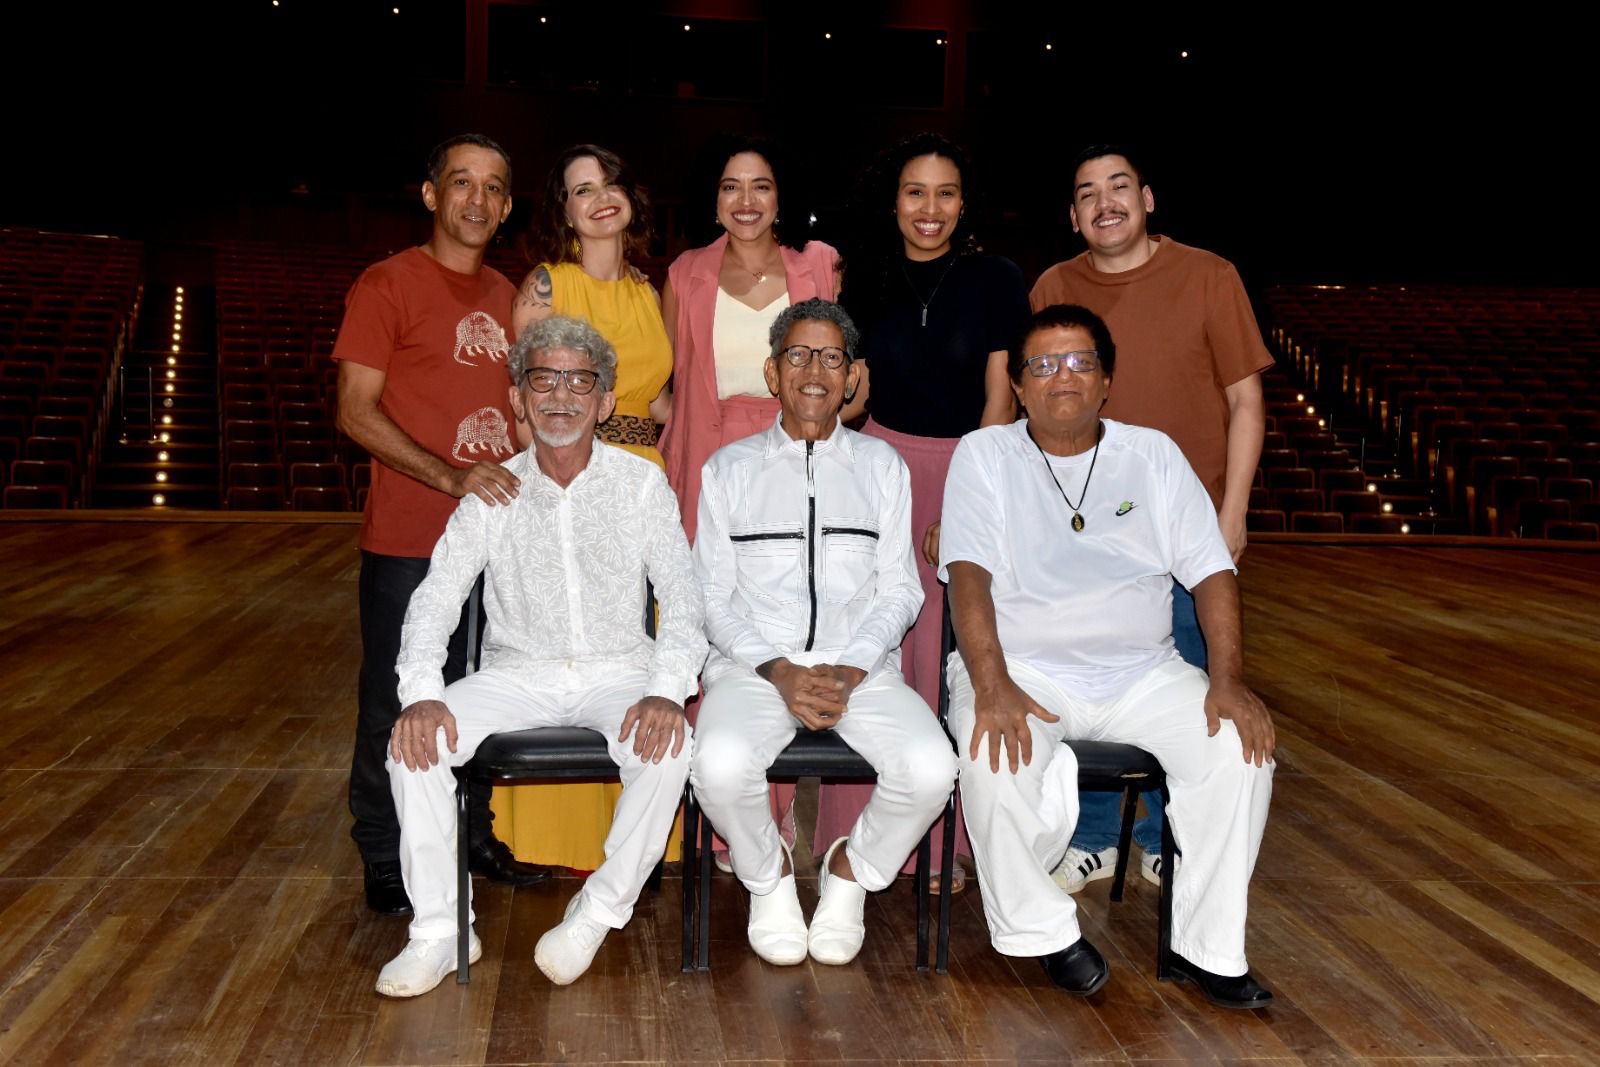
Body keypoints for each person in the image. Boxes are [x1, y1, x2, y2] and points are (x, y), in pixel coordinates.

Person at [940, 303, 1274, 1008]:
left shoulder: (1152, 455)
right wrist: (990, 681)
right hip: (1024, 667)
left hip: (1142, 672)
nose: (1062, 376)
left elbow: (1213, 571)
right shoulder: (986, 454)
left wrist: (1229, 680)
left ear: (1106, 381)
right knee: (991, 751)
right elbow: (967, 573)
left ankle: (1208, 947)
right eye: (1042, 364)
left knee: (1241, 748)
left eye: (1080, 361)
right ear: (1021, 386)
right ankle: (1044, 930)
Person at [376, 315, 705, 997]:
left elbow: (684, 597)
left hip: (620, 669)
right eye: (543, 379)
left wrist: (668, 688)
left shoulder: (641, 485)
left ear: (606, 400)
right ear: (519, 396)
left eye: (580, 380)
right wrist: (420, 692)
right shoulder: (492, 491)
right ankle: (440, 930)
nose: (561, 395)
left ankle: (596, 913)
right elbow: (435, 598)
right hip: (515, 673)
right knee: (414, 743)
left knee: (670, 744)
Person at [1029, 144, 1271, 894]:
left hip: (1183, 531)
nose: (1105, 202)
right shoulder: (1053, 285)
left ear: (1148, 198)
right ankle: (1097, 836)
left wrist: (1230, 513)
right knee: (1097, 680)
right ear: (1072, 215)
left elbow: (1245, 402)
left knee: (1194, 683)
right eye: (1087, 193)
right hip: (1086, 533)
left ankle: (1165, 835)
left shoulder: (1209, 275)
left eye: (1119, 187)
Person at [690, 299, 956, 966]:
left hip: (859, 670)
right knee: (717, 767)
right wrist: (777, 669)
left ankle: (849, 873)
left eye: (831, 357)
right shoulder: (727, 469)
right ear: (773, 372)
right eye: (798, 356)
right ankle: (768, 877)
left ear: (853, 375)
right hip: (754, 669)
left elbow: (900, 588)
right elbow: (711, 599)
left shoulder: (881, 466)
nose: (814, 371)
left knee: (933, 769)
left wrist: (855, 666)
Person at [332, 133, 552, 915]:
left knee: (484, 692)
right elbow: (355, 412)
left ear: (508, 205)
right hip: (409, 539)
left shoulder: (512, 296)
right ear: (432, 194)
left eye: (494, 187)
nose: (477, 200)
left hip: (496, 543)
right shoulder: (386, 283)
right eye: (462, 182)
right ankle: (386, 850)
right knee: (395, 698)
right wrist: (453, 476)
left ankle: (473, 832)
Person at [821, 133, 1030, 893]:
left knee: (952, 653)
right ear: (894, 200)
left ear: (964, 201)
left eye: (945, 193)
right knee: (876, 649)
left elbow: (1002, 396)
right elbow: (854, 388)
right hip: (877, 464)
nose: (929, 209)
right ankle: (861, 831)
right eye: (915, 192)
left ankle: (953, 845)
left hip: (970, 462)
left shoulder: (997, 278)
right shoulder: (863, 276)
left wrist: (968, 502)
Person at [659, 134, 840, 867]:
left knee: (783, 616)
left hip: (790, 458)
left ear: (779, 198)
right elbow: (669, 381)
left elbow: (834, 366)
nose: (745, 200)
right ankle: (723, 805)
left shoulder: (815, 266)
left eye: (759, 186)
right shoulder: (685, 273)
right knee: (709, 626)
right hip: (707, 459)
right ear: (715, 200)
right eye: (731, 186)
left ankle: (775, 807)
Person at [502, 144, 676, 871]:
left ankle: (638, 836)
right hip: (572, 475)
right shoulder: (549, 283)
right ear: (565, 213)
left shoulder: (647, 288)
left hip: (644, 475)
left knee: (636, 656)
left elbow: (660, 398)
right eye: (581, 190)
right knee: (577, 646)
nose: (600, 197)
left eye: (609, 183)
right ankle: (560, 840)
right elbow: (521, 400)